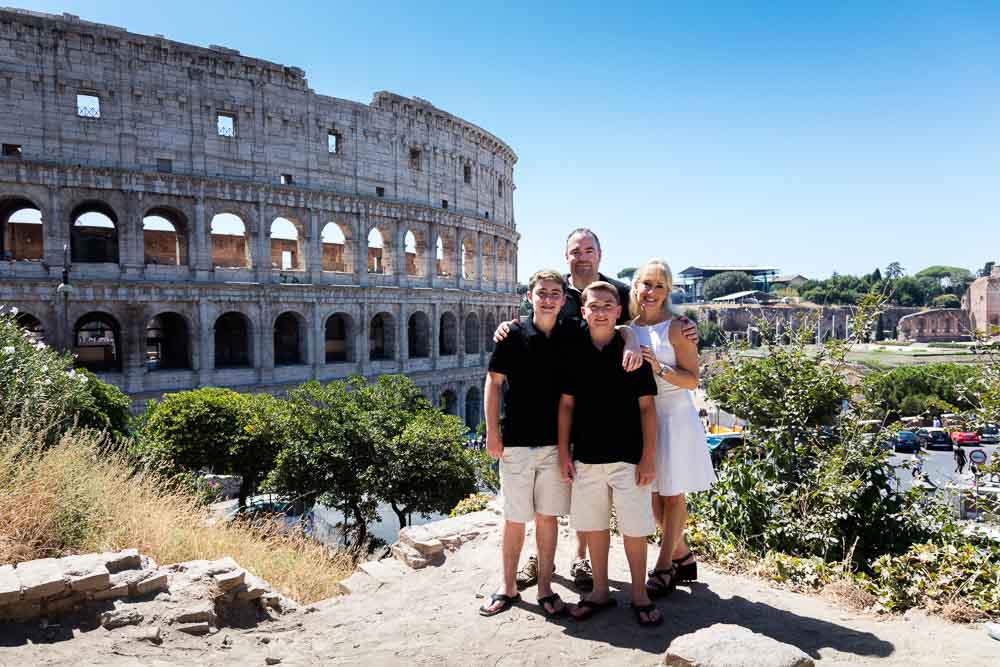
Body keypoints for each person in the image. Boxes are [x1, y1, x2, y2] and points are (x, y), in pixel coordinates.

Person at [499, 227, 698, 591]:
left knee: (648, 488)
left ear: (599, 254)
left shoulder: (616, 290)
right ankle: (544, 557)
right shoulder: (557, 288)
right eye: (576, 250)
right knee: (564, 485)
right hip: (560, 397)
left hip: (605, 403)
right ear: (567, 256)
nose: (582, 256)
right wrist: (505, 326)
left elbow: (639, 320)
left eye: (588, 249)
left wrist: (646, 335)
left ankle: (583, 559)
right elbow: (532, 317)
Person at [557, 281, 663, 627]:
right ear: (583, 311)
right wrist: (563, 453)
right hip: (587, 456)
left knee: (634, 529)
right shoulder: (573, 353)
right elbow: (567, 405)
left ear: (619, 312)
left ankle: (639, 594)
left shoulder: (634, 354)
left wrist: (649, 457)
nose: (600, 311)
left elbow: (648, 408)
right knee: (595, 526)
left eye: (607, 306)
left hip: (628, 457)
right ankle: (600, 591)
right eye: (593, 306)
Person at [479, 270, 574, 618]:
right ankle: (508, 586)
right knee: (515, 518)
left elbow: (608, 323)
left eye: (554, 293)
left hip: (554, 444)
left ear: (563, 300)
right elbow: (493, 383)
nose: (548, 298)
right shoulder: (512, 334)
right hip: (516, 441)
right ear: (529, 296)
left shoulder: (570, 333)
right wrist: (492, 432)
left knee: (547, 518)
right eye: (541, 292)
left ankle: (546, 587)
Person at [628, 260, 716, 597]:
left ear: (667, 292)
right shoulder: (628, 328)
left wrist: (659, 367)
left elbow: (693, 380)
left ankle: (665, 564)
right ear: (636, 287)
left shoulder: (677, 328)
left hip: (675, 415)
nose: (651, 292)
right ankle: (683, 554)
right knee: (653, 494)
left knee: (672, 493)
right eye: (646, 284)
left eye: (659, 286)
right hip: (644, 416)